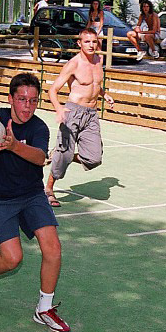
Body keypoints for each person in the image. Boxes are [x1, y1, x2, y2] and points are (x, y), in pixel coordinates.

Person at [0, 72, 70, 332]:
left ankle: (44, 307)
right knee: (12, 259)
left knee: (53, 249)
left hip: (32, 195)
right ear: (11, 98)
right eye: (22, 99)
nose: (27, 106)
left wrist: (12, 146)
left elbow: (39, 157)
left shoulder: (38, 127)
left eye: (33, 101)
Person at [44, 28, 114, 207]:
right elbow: (52, 90)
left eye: (94, 41)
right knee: (64, 155)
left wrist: (104, 94)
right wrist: (59, 109)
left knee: (94, 158)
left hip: (91, 115)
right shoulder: (73, 64)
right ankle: (49, 189)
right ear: (79, 43)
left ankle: (59, 155)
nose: (91, 45)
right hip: (72, 113)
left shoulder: (99, 60)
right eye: (87, 41)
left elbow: (95, 84)